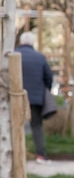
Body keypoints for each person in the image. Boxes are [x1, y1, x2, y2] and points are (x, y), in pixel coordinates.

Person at [15, 31, 54, 164]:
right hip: (35, 98)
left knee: (13, 125)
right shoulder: (40, 57)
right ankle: (41, 155)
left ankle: (14, 153)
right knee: (36, 126)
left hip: (15, 97)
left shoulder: (12, 55)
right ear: (32, 43)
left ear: (20, 42)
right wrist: (44, 90)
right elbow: (48, 77)